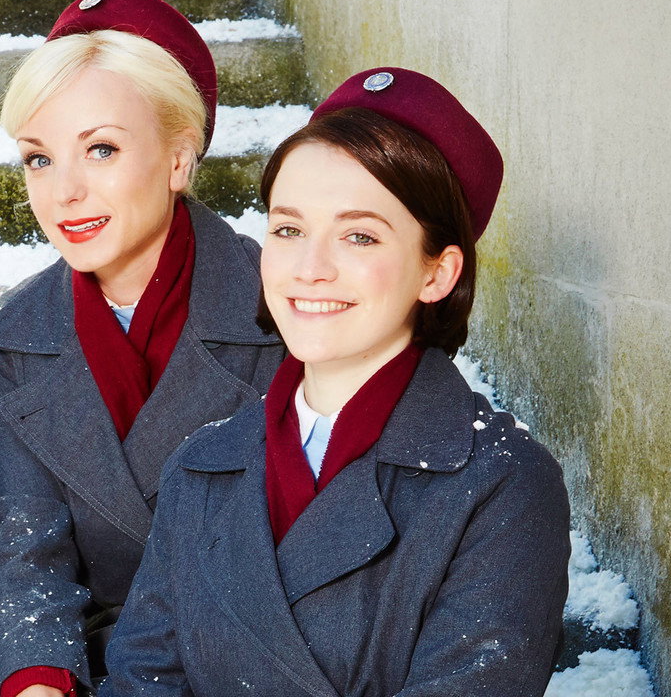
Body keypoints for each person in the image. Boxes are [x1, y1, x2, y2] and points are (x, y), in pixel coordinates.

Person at [101, 67, 571, 696]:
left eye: (358, 236)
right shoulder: (200, 465)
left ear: (437, 273)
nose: (310, 268)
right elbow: (142, 679)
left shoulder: (502, 485)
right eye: (289, 229)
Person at [0, 0, 286, 697]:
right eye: (38, 159)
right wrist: (39, 682)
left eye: (102, 149)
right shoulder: (18, 335)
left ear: (180, 158)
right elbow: (29, 551)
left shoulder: (283, 305)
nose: (64, 192)